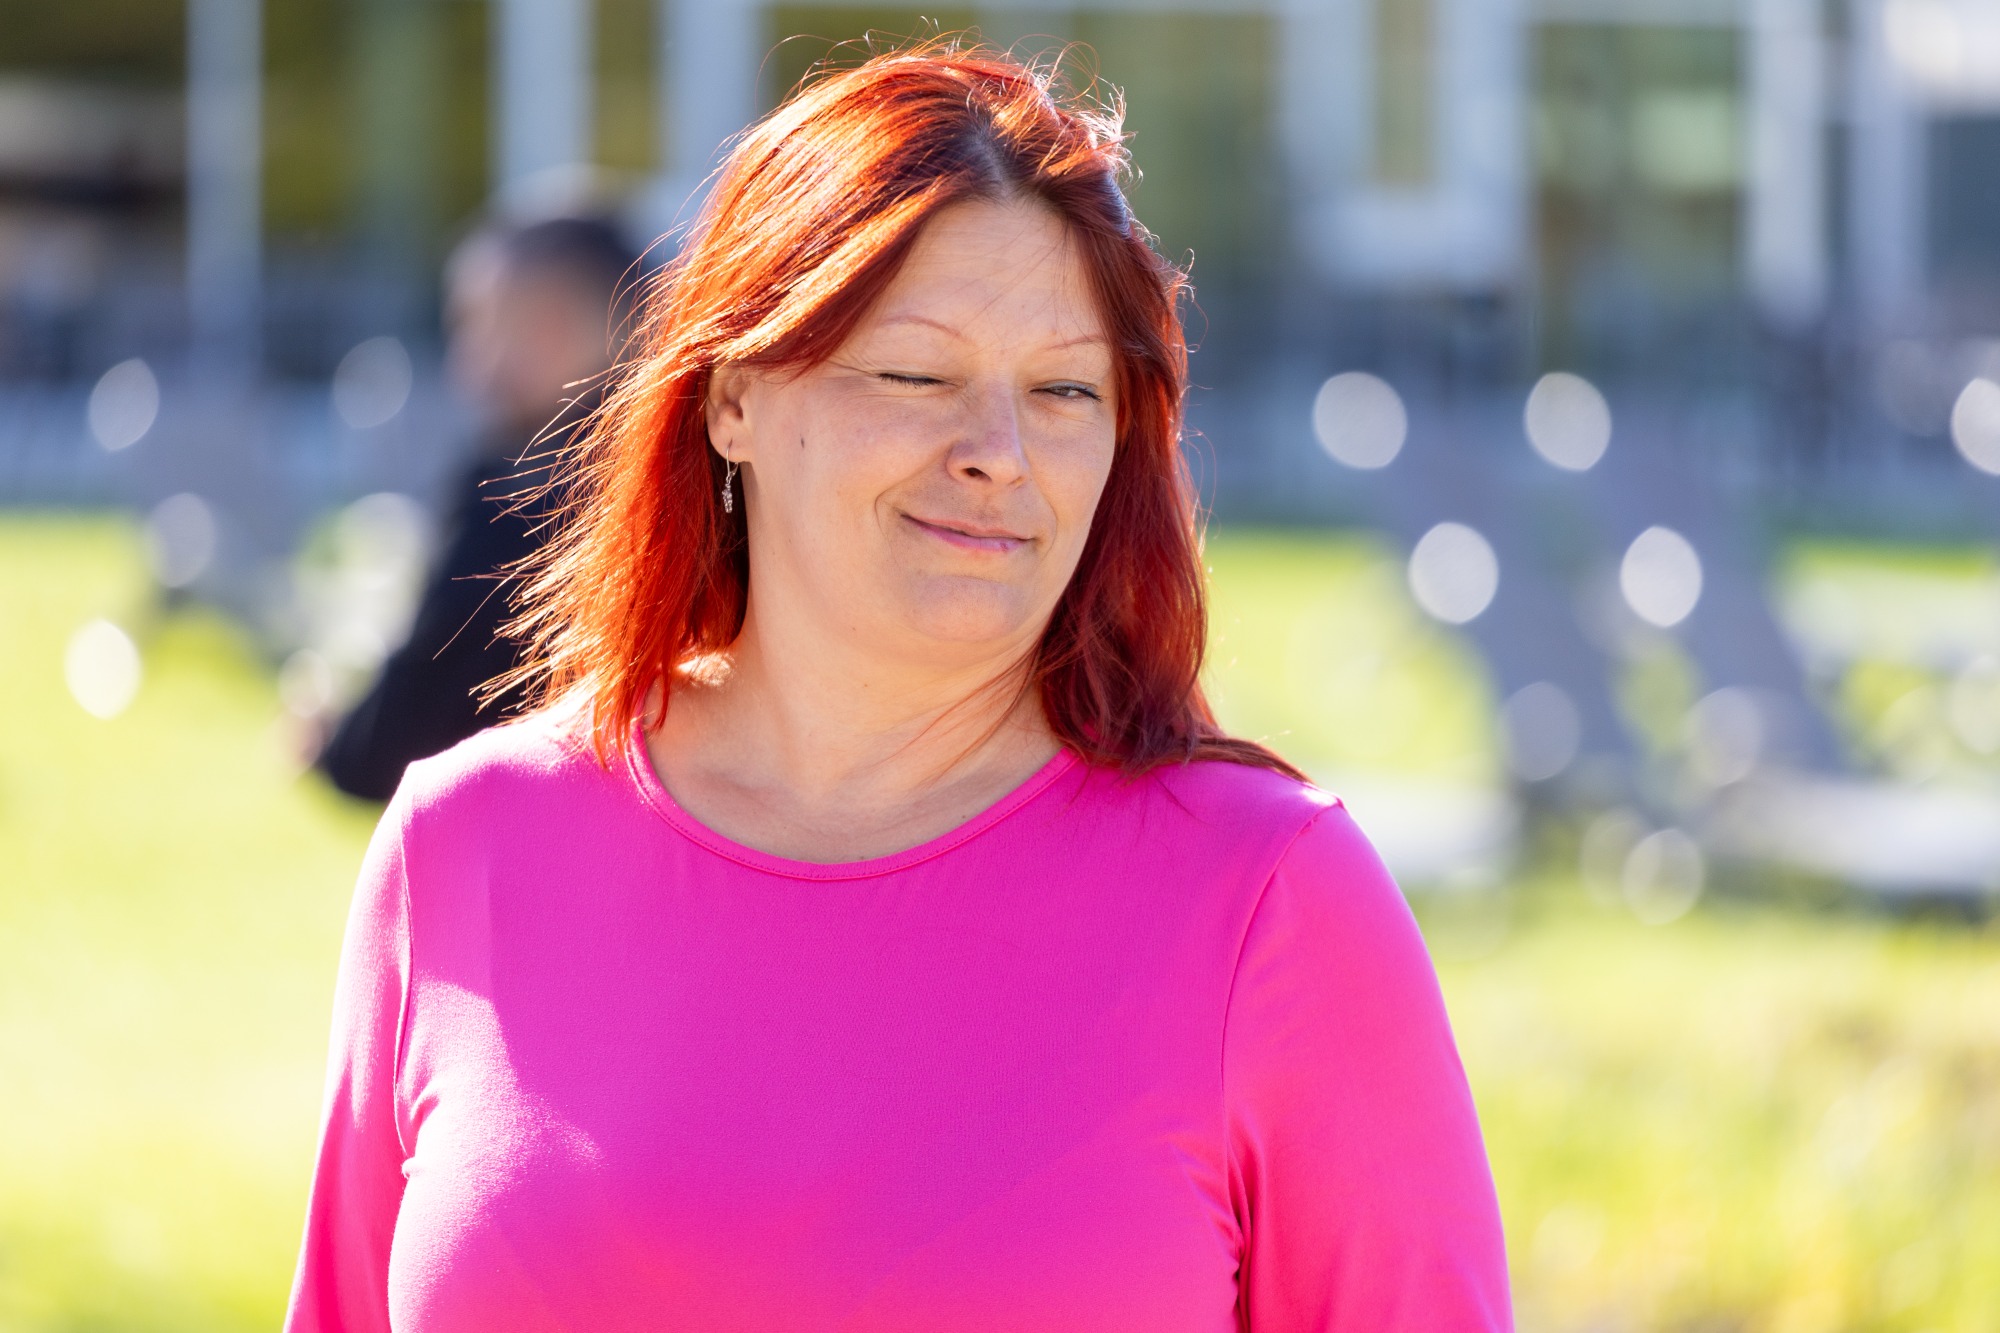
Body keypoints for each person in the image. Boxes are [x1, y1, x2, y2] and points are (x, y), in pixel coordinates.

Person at [286, 44, 1512, 1331]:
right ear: (732, 398)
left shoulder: (1272, 903)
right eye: (917, 374)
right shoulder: (463, 846)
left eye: (1064, 389)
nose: (999, 453)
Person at [312, 214, 639, 801]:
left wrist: (327, 741)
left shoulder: (519, 498)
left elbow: (397, 745)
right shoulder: (715, 474)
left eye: (476, 325)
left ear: (551, 327)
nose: (463, 364)